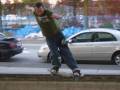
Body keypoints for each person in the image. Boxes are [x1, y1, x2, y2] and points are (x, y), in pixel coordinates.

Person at [26, 2, 81, 79]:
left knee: (65, 51)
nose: (39, 12)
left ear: (43, 8)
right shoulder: (35, 12)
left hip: (58, 35)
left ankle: (75, 69)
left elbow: (53, 15)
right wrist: (28, 7)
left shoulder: (47, 13)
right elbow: (31, 8)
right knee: (54, 52)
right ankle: (56, 67)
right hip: (49, 37)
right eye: (37, 11)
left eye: (41, 10)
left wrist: (58, 16)